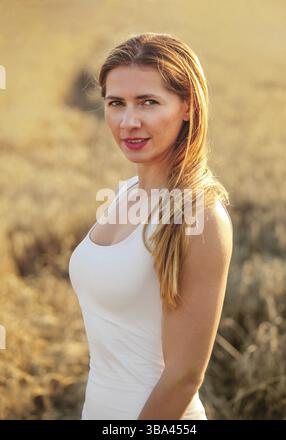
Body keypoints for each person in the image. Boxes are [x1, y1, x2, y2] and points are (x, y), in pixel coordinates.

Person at [68, 32, 233, 420]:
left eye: (148, 102)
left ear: (188, 107)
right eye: (116, 103)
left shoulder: (201, 216)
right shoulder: (123, 192)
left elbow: (183, 377)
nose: (129, 121)